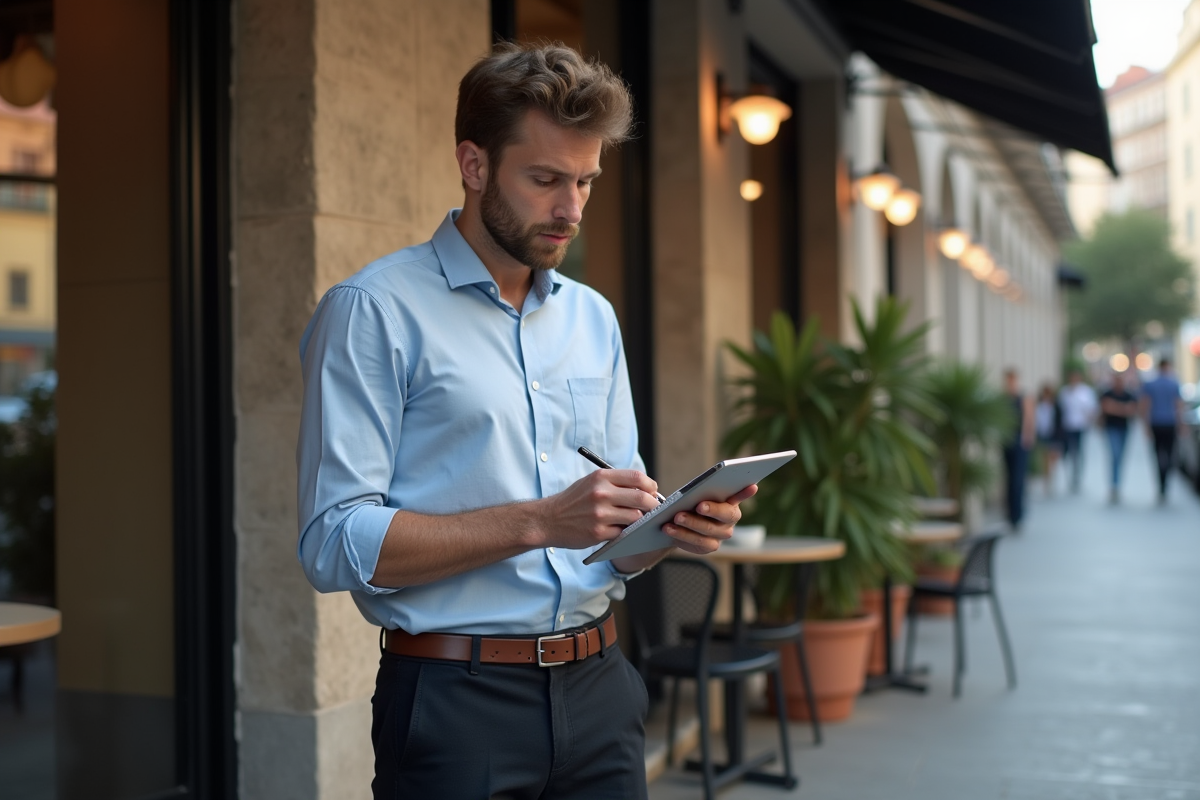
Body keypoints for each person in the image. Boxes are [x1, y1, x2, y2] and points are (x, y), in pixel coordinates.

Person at [295, 43, 757, 799]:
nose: (571, 209)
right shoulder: (373, 312)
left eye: (584, 181)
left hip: (602, 691)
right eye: (544, 179)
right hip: (454, 701)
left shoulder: (593, 318)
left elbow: (607, 544)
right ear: (473, 165)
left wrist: (666, 531)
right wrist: (539, 522)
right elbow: (331, 542)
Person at [1140, 358, 1184, 503]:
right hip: (1169, 424)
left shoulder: (1151, 384)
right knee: (1169, 455)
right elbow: (1178, 406)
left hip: (1156, 423)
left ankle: (1161, 484)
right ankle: (1164, 482)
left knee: (1158, 455)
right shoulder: (1174, 383)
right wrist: (1181, 424)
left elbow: (1145, 406)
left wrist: (1146, 426)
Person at [1001, 368, 1036, 530]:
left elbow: (1029, 419)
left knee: (1018, 479)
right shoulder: (1003, 398)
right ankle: (1010, 512)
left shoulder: (1023, 398)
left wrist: (1027, 438)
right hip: (1006, 441)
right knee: (1009, 478)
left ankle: (1018, 513)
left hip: (1020, 442)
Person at [1099, 372, 1138, 504]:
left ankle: (1117, 484)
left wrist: (1114, 407)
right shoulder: (1107, 394)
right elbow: (1106, 408)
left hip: (1124, 429)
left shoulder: (1128, 394)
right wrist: (1123, 409)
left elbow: (1132, 410)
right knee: (1114, 455)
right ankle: (1114, 486)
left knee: (1120, 457)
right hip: (1111, 428)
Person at [1058, 370, 1098, 494]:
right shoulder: (1064, 392)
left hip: (1080, 426)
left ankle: (1077, 476)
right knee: (1069, 451)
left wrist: (1089, 419)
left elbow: (1092, 408)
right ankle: (1070, 475)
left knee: (1079, 452)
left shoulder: (1086, 392)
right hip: (1068, 426)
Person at [1034, 382, 1064, 495]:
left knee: (1053, 460)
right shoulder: (1040, 405)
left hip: (1054, 436)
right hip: (1044, 436)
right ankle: (1047, 481)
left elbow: (1060, 423)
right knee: (1045, 460)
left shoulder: (1056, 406)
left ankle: (1052, 479)